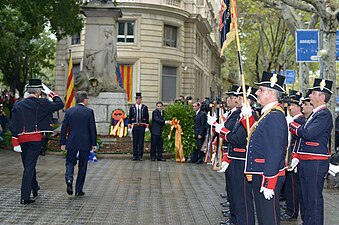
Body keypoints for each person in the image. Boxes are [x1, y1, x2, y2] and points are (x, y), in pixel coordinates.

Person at [241, 72, 288, 225]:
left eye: (260, 89)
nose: (256, 92)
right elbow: (258, 139)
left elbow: (275, 150)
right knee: (263, 217)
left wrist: (269, 182)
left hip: (267, 175)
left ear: (271, 93)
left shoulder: (274, 116)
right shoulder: (268, 114)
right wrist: (248, 118)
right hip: (261, 173)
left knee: (269, 219)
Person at [11, 79, 64, 204]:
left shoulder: (18, 104)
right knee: (29, 166)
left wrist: (15, 140)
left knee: (28, 165)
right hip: (35, 139)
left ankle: (34, 187)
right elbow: (60, 104)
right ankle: (25, 197)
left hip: (22, 139)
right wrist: (51, 93)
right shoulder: (43, 102)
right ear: (39, 91)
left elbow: (14, 124)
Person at [289, 78, 333, 225]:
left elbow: (307, 134)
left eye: (313, 93)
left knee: (313, 200)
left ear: (321, 97)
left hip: (315, 163)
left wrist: (292, 125)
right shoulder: (315, 114)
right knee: (305, 198)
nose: (311, 96)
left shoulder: (324, 114)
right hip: (307, 161)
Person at [215, 85, 258, 225]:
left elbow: (237, 139)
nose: (237, 100)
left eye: (240, 98)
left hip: (242, 161)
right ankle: (236, 221)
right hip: (235, 159)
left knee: (243, 199)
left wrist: (222, 131)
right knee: (236, 195)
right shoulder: (241, 115)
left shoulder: (250, 117)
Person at [60, 91, 97, 197]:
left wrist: (63, 142)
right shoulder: (89, 112)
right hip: (85, 143)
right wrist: (94, 143)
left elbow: (64, 128)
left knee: (70, 162)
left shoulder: (69, 111)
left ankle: (69, 179)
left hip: (71, 142)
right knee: (83, 166)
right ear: (84, 100)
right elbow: (92, 129)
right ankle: (78, 190)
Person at [281, 90, 306, 222]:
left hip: (294, 158)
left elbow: (298, 138)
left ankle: (292, 212)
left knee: (293, 187)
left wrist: (290, 124)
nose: (289, 108)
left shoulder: (300, 120)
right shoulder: (293, 119)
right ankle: (290, 209)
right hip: (289, 156)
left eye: (291, 105)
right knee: (289, 186)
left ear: (297, 107)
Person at [128, 92, 149, 161]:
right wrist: (129, 125)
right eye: (137, 99)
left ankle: (140, 155)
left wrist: (147, 126)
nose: (139, 100)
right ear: (136, 100)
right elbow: (130, 116)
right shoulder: (132, 107)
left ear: (141, 100)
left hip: (142, 126)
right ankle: (135, 155)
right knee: (135, 141)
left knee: (141, 141)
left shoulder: (144, 107)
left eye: (140, 99)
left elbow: (147, 117)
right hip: (135, 126)